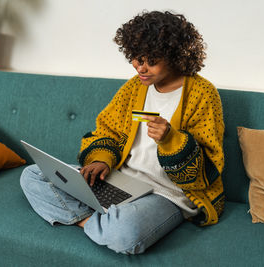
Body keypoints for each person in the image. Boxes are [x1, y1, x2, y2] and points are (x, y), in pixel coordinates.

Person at [20, 10, 225, 255]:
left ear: (174, 54)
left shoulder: (202, 94)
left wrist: (171, 140)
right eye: (137, 58)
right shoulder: (133, 88)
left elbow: (209, 167)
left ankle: (98, 219)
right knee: (33, 175)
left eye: (151, 60)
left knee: (125, 232)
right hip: (122, 180)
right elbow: (108, 129)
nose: (141, 67)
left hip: (169, 194)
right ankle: (98, 220)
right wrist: (101, 160)